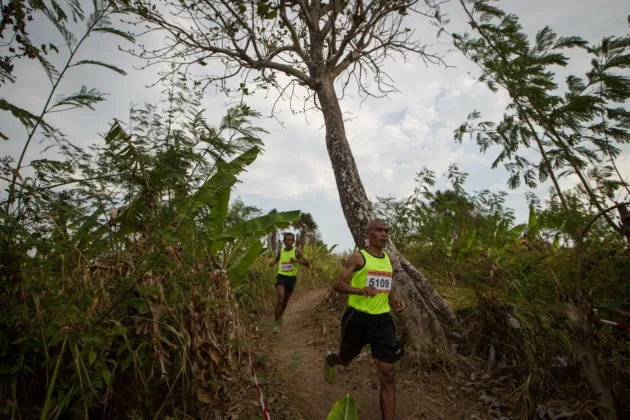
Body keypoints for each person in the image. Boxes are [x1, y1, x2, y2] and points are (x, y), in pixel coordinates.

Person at [323, 219, 406, 420]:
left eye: (386, 231)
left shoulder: (390, 259)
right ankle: (330, 360)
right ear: (368, 234)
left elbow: (386, 285)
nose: (384, 234)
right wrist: (359, 290)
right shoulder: (358, 258)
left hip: (382, 320)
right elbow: (338, 284)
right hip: (357, 318)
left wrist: (394, 300)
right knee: (345, 359)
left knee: (388, 374)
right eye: (379, 230)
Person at [269, 232, 309, 333]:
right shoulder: (281, 251)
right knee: (280, 299)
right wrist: (273, 262)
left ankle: (281, 315)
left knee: (285, 302)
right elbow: (277, 259)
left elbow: (307, 263)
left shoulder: (297, 251)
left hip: (291, 279)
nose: (289, 242)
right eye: (287, 240)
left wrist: (297, 261)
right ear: (284, 241)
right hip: (281, 276)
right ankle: (276, 324)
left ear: (294, 241)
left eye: (291, 240)